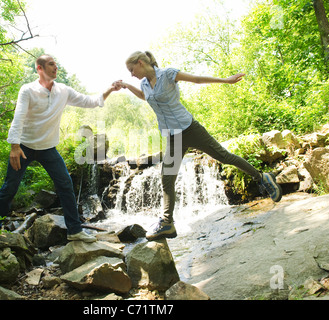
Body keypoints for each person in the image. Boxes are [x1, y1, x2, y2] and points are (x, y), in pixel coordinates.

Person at [115, 51, 282, 241]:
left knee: (224, 157)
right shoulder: (144, 84)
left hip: (189, 128)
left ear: (140, 63)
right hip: (172, 136)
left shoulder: (168, 74)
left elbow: (196, 79)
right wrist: (127, 86)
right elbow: (146, 97)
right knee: (167, 178)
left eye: (131, 70)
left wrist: (226, 80)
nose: (131, 74)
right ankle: (167, 223)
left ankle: (262, 177)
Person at [0, 54, 120, 242]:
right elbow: (18, 118)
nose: (55, 68)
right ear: (39, 69)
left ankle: (74, 230)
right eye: (51, 65)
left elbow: (89, 101)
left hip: (48, 148)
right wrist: (14, 146)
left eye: (56, 65)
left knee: (65, 185)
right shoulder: (28, 90)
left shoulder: (63, 91)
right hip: (24, 147)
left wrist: (110, 89)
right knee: (10, 187)